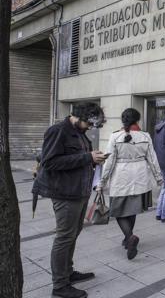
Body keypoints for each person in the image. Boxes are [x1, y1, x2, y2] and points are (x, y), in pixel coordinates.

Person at [32, 102, 106, 298]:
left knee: (73, 234)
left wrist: (94, 158)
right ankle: (60, 285)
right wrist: (87, 157)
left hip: (79, 192)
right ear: (80, 116)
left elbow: (81, 157)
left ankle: (68, 272)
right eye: (89, 124)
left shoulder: (80, 133)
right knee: (64, 237)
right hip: (64, 193)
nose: (90, 128)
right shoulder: (58, 131)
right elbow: (49, 162)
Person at [96, 108, 163, 260]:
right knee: (132, 210)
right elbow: (153, 159)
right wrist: (158, 178)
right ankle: (128, 239)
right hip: (140, 177)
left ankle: (130, 237)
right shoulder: (145, 136)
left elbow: (109, 162)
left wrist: (102, 182)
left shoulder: (115, 136)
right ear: (137, 120)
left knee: (118, 211)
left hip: (121, 177)